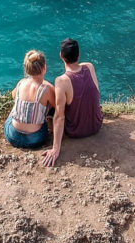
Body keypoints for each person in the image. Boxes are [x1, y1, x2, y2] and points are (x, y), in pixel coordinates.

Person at [41, 38, 103, 167]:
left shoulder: (61, 81)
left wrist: (55, 149)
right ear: (79, 54)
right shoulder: (89, 67)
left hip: (75, 131)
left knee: (53, 107)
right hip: (96, 125)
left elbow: (59, 116)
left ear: (61, 56)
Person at [4, 49, 56, 149]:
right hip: (34, 139)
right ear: (44, 67)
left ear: (27, 69)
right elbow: (56, 106)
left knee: (15, 108)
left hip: (12, 135)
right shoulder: (47, 89)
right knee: (48, 107)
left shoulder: (21, 83)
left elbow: (13, 96)